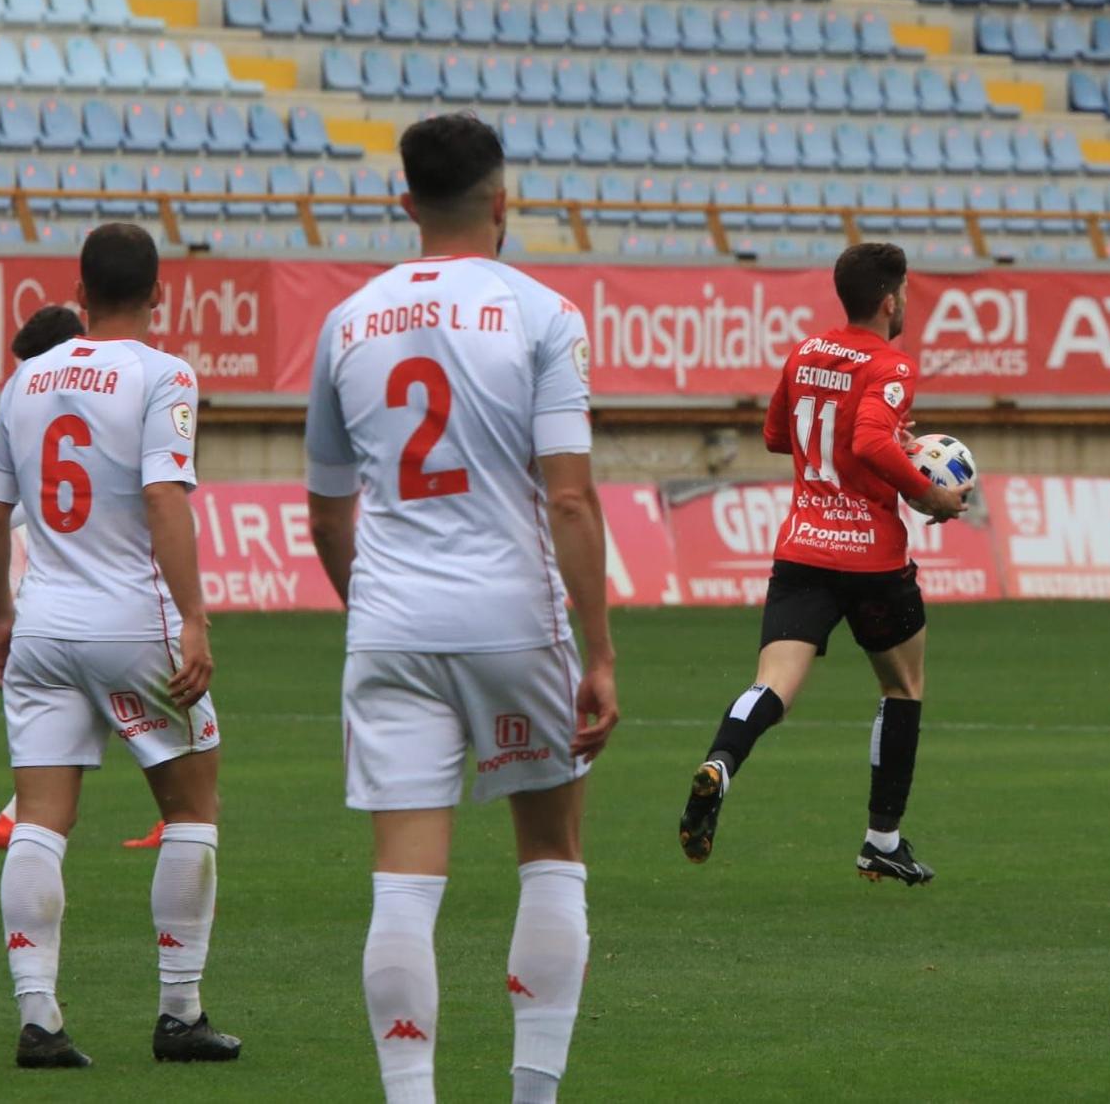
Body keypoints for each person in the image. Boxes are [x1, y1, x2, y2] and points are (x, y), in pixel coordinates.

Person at [304, 113, 619, 1104]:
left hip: (392, 622)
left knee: (402, 882)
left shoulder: (346, 320)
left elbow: (324, 504)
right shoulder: (543, 314)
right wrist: (598, 652)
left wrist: (372, 606)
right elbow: (567, 496)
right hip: (513, 619)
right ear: (502, 201)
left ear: (404, 203)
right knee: (551, 856)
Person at [0, 224, 239, 1069]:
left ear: (77, 294)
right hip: (133, 622)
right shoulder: (165, 374)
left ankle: (40, 1019)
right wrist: (193, 616)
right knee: (191, 808)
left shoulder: (27, 379)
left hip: (44, 625)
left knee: (40, 824)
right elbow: (164, 496)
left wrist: (0, 615)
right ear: (158, 295)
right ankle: (180, 1013)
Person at [675, 243, 970, 886]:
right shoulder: (891, 364)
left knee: (773, 684)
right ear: (889, 300)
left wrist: (871, 438)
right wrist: (931, 495)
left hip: (803, 546)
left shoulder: (805, 353)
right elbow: (865, 440)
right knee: (902, 687)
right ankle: (881, 841)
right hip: (870, 558)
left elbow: (780, 436)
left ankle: (721, 763)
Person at [0, 306, 163, 853]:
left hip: (126, 592)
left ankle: (181, 817)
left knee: (140, 708)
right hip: (97, 602)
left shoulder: (125, 388)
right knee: (96, 703)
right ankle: (19, 817)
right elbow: (55, 488)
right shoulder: (133, 384)